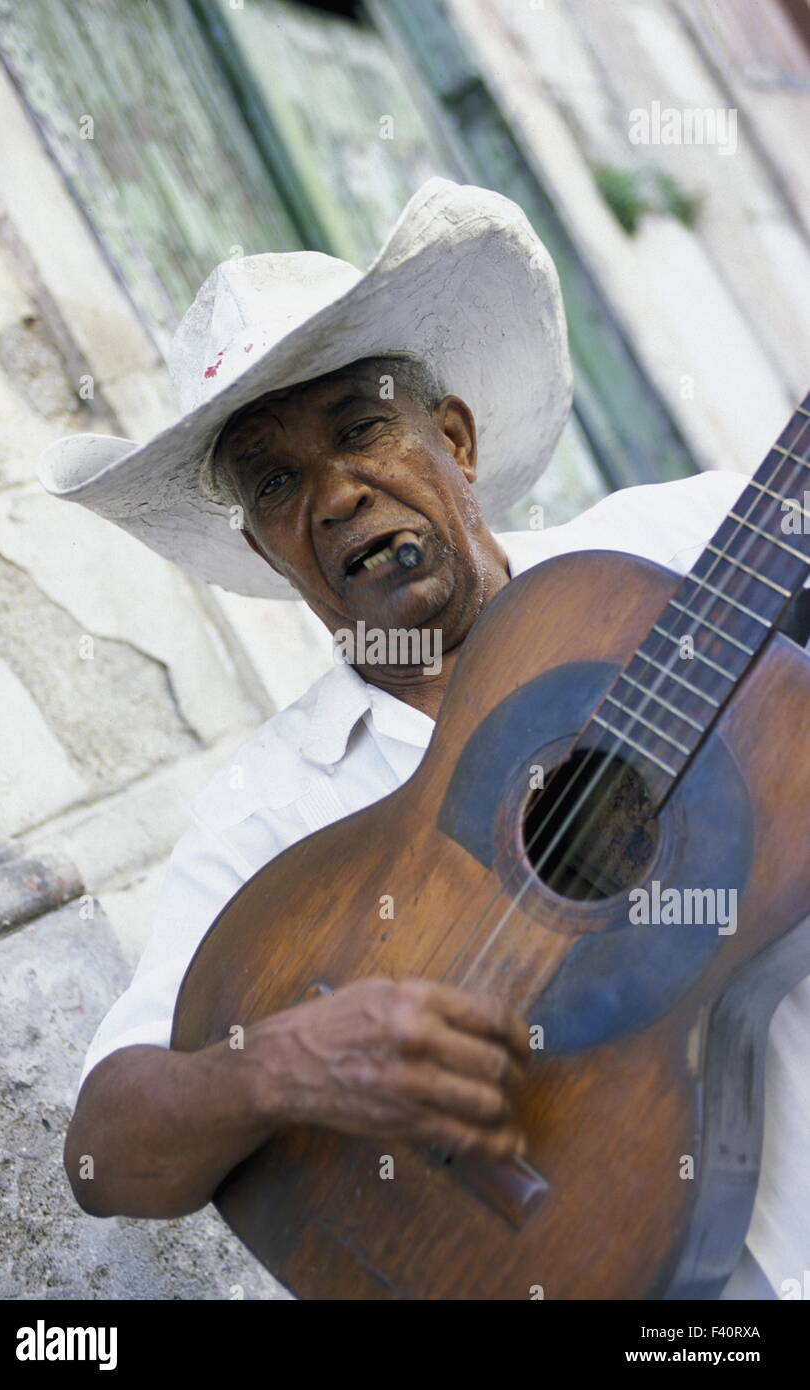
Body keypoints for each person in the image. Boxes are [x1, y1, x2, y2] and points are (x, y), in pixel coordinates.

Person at [39, 179, 807, 1300]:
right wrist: (281, 1068)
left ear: (451, 438)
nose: (338, 493)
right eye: (277, 482)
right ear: (265, 551)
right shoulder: (270, 807)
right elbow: (103, 1154)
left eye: (360, 430)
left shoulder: (680, 541)